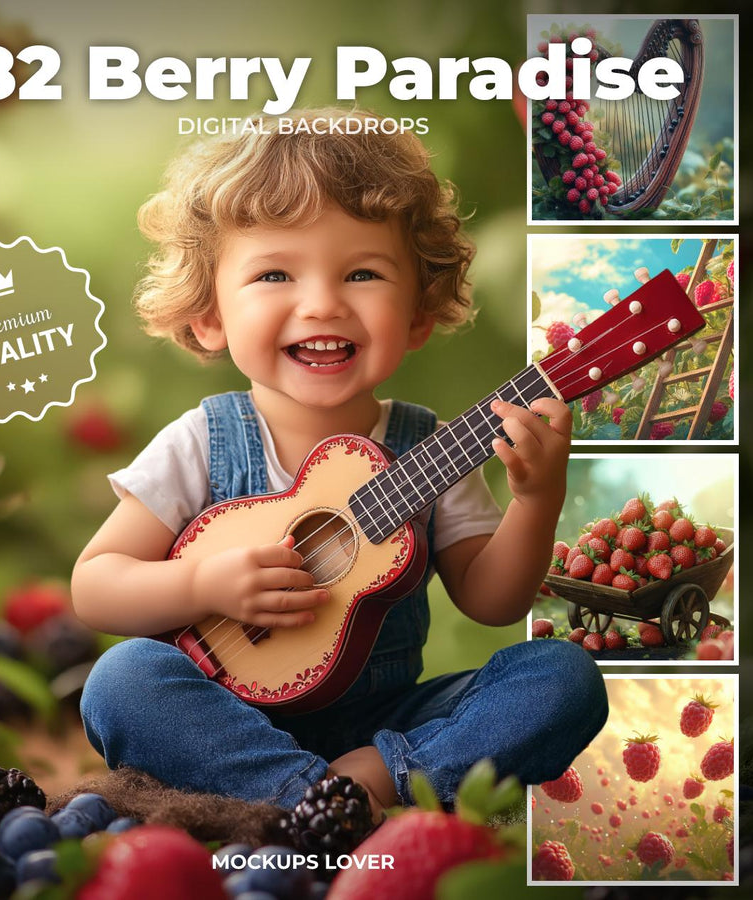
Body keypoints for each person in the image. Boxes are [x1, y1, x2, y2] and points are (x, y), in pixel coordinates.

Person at [72, 109, 608, 820]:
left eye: (361, 272)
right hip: (221, 723)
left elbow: (492, 600)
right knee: (121, 682)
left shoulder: (429, 447)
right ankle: (313, 799)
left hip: (390, 727)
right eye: (273, 274)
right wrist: (201, 581)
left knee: (564, 676)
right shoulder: (201, 439)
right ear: (209, 315)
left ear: (418, 312)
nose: (322, 304)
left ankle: (373, 785)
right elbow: (96, 586)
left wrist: (537, 501)